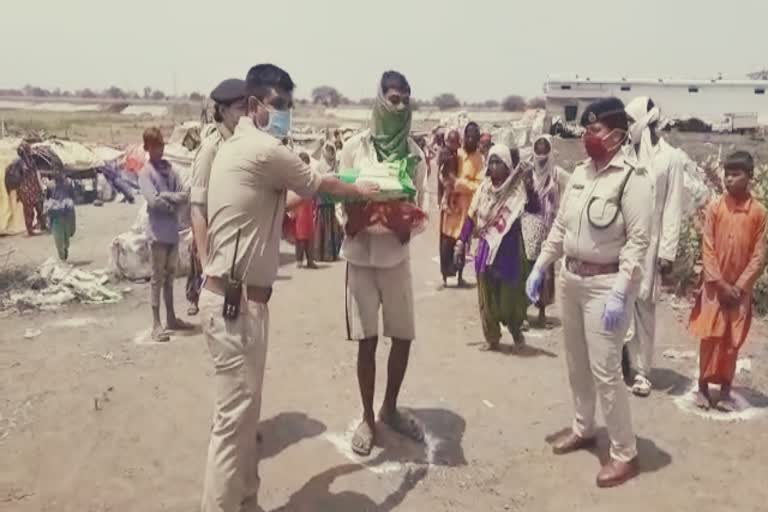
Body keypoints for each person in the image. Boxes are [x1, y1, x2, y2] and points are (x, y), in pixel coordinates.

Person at [200, 63, 377, 512]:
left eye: (289, 107)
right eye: (279, 106)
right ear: (254, 105)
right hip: (235, 305)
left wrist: (330, 186)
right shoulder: (263, 149)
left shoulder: (240, 148)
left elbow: (291, 197)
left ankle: (245, 502)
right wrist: (365, 189)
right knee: (231, 427)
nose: (285, 115)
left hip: (241, 303)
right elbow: (320, 184)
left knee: (243, 422)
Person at [526, 98, 652, 488]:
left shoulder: (633, 179)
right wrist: (539, 266)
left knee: (606, 370)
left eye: (594, 130)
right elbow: (561, 229)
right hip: (572, 280)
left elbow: (638, 242)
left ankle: (624, 452)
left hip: (605, 286)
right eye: (585, 129)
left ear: (615, 134)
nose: (587, 137)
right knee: (577, 365)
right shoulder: (581, 174)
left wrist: (620, 292)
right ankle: (583, 427)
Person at [338, 70, 428, 457]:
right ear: (379, 99)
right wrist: (357, 216)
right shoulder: (354, 148)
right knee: (367, 340)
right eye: (393, 98)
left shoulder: (416, 154)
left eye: (405, 98)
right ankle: (367, 418)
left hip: (396, 256)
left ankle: (389, 407)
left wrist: (403, 221)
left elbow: (419, 204)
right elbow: (342, 203)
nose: (400, 105)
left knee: (403, 336)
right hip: (360, 258)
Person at [689, 151, 766, 412]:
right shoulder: (715, 208)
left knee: (732, 341)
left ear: (750, 177)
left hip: (739, 292)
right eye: (727, 174)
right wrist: (719, 282)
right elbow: (708, 246)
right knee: (709, 337)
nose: (729, 179)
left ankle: (724, 392)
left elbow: (759, 256)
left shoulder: (759, 213)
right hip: (714, 287)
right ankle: (701, 388)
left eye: (736, 174)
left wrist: (740, 286)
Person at [622, 97, 684, 397]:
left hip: (651, 245)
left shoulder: (671, 158)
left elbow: (673, 206)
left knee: (644, 308)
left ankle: (642, 371)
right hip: (622, 243)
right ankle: (622, 362)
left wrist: (667, 253)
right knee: (620, 303)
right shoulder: (626, 154)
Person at [456, 144, 538, 350]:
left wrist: (529, 187)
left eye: (498, 162)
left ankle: (515, 328)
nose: (493, 166)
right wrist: (461, 241)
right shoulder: (484, 188)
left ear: (508, 166)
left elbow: (534, 208)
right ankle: (492, 337)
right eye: (491, 162)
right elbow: (471, 215)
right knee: (487, 294)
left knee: (509, 295)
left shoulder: (517, 190)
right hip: (486, 248)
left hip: (508, 250)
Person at [188, 78, 247, 316]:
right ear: (223, 110)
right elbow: (197, 209)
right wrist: (205, 265)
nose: (247, 115)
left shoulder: (241, 144)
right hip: (217, 250)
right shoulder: (211, 149)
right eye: (240, 108)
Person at [137, 127, 193, 342]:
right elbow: (152, 201)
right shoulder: (145, 173)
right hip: (157, 232)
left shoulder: (170, 170)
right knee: (157, 278)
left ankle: (171, 318)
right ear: (147, 148)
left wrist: (166, 196)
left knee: (170, 276)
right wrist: (171, 200)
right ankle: (156, 323)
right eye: (154, 146)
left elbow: (183, 195)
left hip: (171, 231)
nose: (158, 150)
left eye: (160, 145)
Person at [521, 135, 569, 328]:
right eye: (538, 150)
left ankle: (542, 310)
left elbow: (572, 186)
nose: (541, 155)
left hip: (548, 227)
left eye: (544, 151)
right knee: (527, 267)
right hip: (528, 225)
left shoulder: (556, 174)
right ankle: (523, 311)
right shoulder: (527, 172)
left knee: (545, 269)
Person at [440, 122, 484, 287]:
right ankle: (445, 276)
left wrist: (459, 184)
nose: (471, 140)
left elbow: (479, 185)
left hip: (467, 208)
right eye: (468, 136)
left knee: (462, 242)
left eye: (474, 137)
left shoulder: (479, 159)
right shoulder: (455, 153)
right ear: (464, 137)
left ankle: (459, 276)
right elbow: (445, 174)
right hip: (452, 207)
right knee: (446, 242)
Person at [313, 141, 344, 262]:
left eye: (332, 150)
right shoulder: (320, 165)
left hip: (331, 200)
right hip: (322, 199)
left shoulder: (335, 165)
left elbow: (339, 178)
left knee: (331, 225)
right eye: (329, 150)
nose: (331, 153)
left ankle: (330, 254)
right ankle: (320, 254)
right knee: (321, 226)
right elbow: (316, 180)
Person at [14, 143, 46, 235]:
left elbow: (36, 174)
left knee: (38, 207)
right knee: (30, 210)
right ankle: (30, 230)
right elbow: (35, 174)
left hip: (31, 189)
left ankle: (40, 225)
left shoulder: (31, 161)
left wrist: (40, 186)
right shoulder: (19, 163)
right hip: (28, 189)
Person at [44, 171, 76, 261]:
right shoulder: (50, 185)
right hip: (55, 214)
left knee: (66, 235)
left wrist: (68, 203)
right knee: (58, 238)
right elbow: (48, 198)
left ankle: (65, 248)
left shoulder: (68, 182)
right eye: (55, 170)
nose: (57, 172)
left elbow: (72, 195)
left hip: (66, 213)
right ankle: (62, 257)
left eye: (59, 170)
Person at [293, 151, 318, 268]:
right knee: (301, 236)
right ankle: (299, 260)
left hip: (309, 207)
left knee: (309, 236)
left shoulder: (311, 173)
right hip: (299, 208)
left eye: (306, 162)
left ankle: (310, 260)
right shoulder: (295, 175)